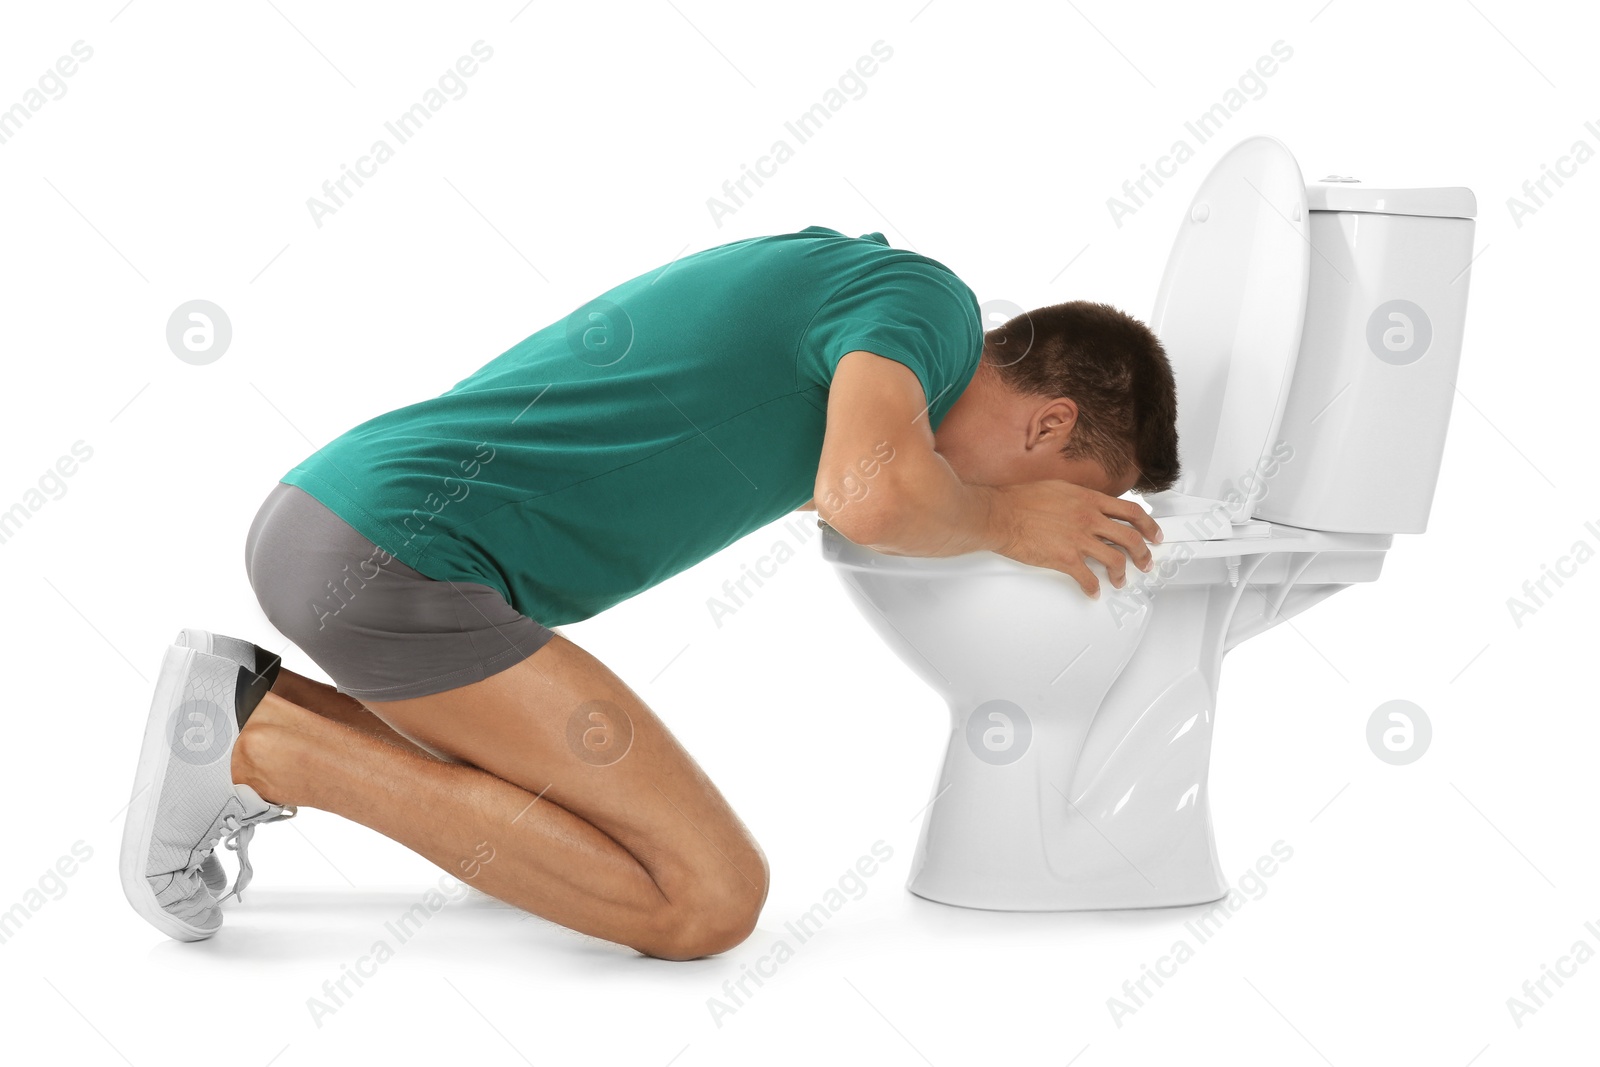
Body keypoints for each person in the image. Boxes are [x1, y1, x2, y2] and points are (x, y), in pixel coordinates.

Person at [119, 224, 1179, 959]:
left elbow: (867, 479)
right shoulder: (924, 303)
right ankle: (261, 743)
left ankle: (258, 703)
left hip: (349, 524)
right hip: (400, 557)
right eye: (1078, 503)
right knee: (704, 900)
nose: (1058, 531)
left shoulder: (861, 316)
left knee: (580, 841)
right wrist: (1002, 520)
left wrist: (970, 509)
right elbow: (867, 494)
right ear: (1046, 427)